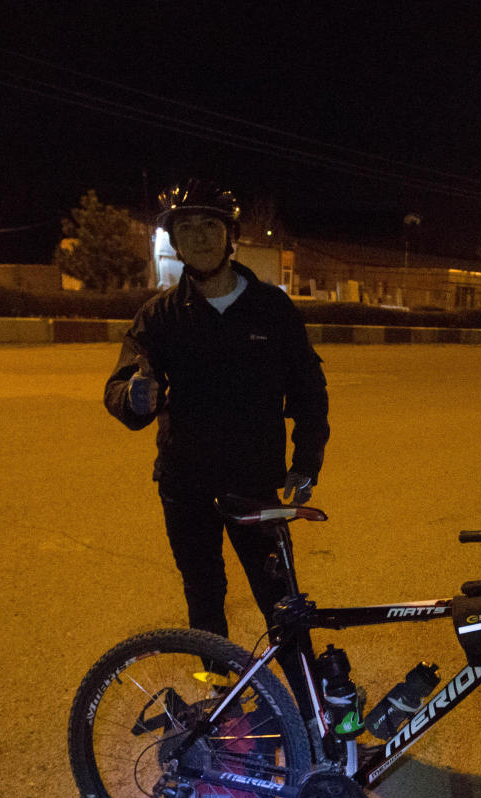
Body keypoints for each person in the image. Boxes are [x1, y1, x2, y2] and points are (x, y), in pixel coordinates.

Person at [104, 178, 330, 645]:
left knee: (279, 598)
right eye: (187, 228)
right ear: (175, 242)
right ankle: (217, 700)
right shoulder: (160, 315)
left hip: (253, 483)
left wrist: (307, 461)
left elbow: (309, 390)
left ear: (231, 236)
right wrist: (133, 397)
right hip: (184, 484)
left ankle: (306, 707)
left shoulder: (273, 309)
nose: (201, 237)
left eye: (211, 225)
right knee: (203, 594)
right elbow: (123, 382)